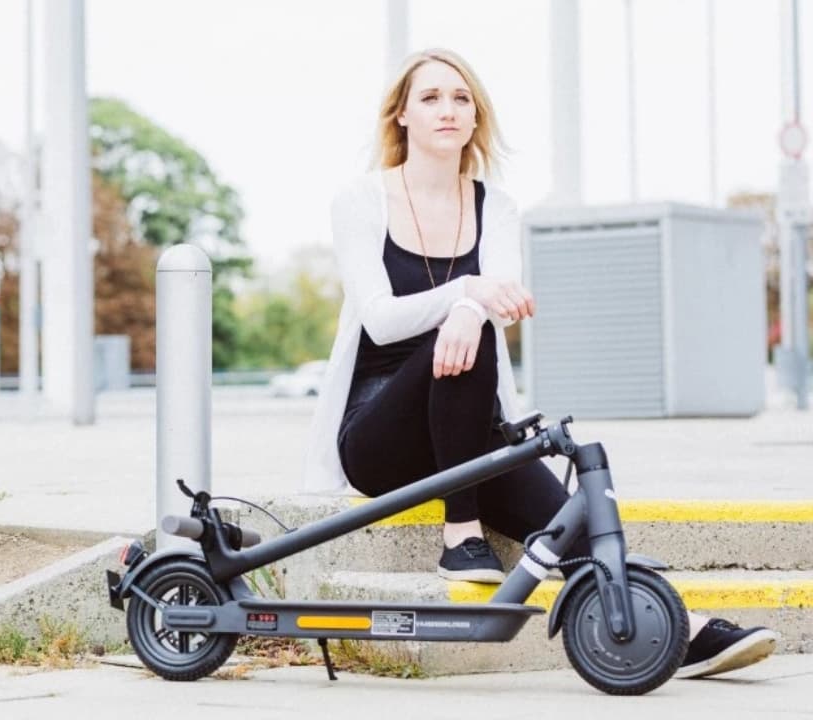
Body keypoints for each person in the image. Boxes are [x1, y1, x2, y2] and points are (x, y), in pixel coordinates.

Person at [300, 48, 778, 679]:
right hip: (378, 432)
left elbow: (501, 306)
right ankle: (459, 536)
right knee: (463, 322)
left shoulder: (495, 206)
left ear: (476, 119)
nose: (448, 109)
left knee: (561, 514)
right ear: (402, 117)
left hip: (463, 433)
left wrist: (472, 309)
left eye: (461, 98)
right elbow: (381, 318)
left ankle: (678, 631)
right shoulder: (362, 200)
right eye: (431, 97)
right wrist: (467, 297)